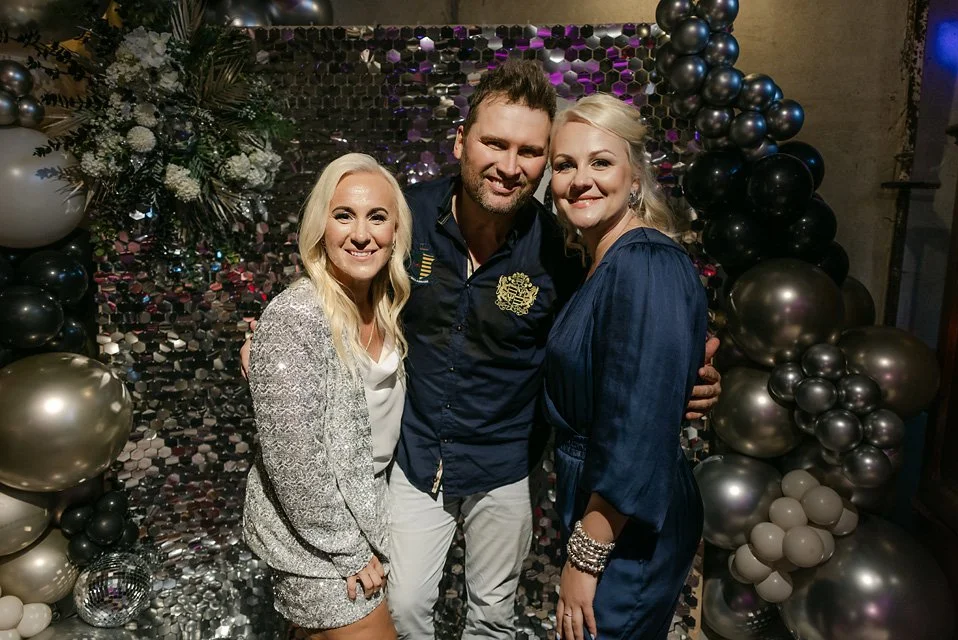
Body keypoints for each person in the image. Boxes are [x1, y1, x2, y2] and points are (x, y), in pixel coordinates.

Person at [241, 61, 721, 640]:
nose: (509, 166)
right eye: (494, 143)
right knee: (405, 607)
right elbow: (341, 263)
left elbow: (619, 343)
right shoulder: (408, 217)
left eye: (531, 152)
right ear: (461, 142)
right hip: (417, 461)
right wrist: (281, 348)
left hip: (506, 464)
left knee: (493, 618)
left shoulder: (562, 248)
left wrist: (683, 382)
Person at [543, 93, 707, 640]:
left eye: (601, 162)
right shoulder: (603, 261)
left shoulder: (643, 262)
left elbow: (635, 427)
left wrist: (586, 557)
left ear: (635, 175)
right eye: (564, 165)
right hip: (606, 506)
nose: (580, 180)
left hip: (624, 520)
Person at [243, 153, 412, 639]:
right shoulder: (299, 315)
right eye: (344, 215)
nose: (362, 234)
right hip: (317, 542)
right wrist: (347, 549)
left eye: (377, 217)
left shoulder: (383, 305)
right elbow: (294, 458)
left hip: (362, 516)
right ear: (321, 226)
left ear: (396, 231)